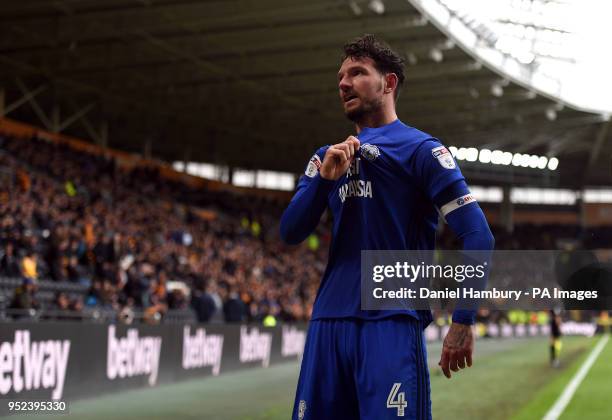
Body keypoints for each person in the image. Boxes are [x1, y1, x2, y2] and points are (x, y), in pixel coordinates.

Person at [280, 34, 494, 419]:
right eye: (341, 76)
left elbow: (478, 234)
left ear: (389, 83)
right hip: (328, 322)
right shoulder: (325, 158)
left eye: (358, 73)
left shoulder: (422, 150)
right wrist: (326, 181)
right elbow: (290, 232)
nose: (343, 83)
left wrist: (463, 320)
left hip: (390, 322)